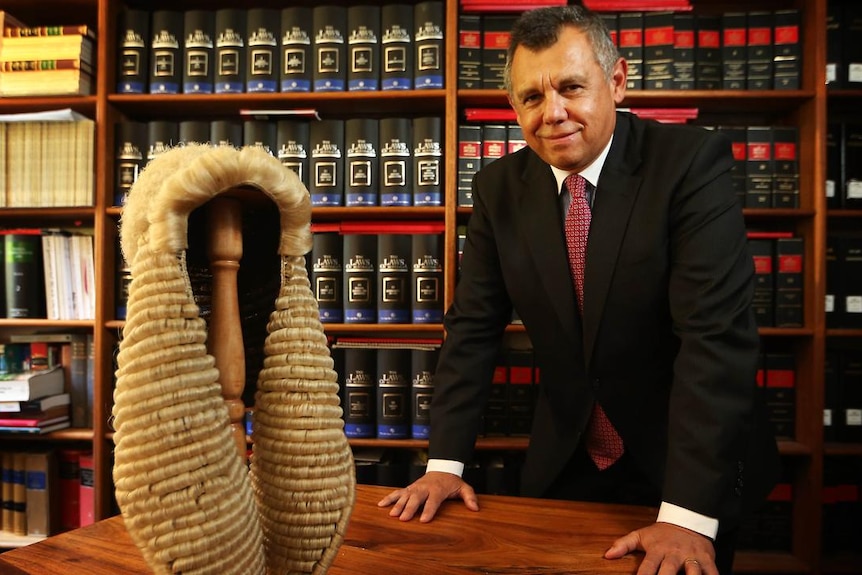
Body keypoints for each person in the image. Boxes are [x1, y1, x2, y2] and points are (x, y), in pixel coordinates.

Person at [378, 5, 781, 575]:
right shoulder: (499, 187)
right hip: (568, 453)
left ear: (617, 82)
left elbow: (715, 340)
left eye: (571, 87)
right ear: (514, 106)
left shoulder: (689, 164)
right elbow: (471, 329)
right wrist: (445, 463)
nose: (554, 114)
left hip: (688, 457)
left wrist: (688, 515)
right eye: (532, 98)